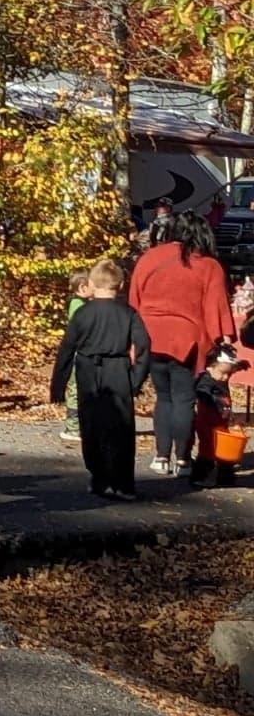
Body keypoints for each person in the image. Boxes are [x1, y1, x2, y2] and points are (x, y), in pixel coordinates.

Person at [130, 212, 236, 476]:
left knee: (163, 397)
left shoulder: (150, 257)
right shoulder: (208, 265)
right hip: (187, 339)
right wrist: (224, 340)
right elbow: (216, 308)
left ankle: (161, 456)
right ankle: (183, 458)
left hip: (150, 335)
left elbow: (135, 297)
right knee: (184, 399)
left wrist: (132, 337)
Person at [49, 258, 151, 500]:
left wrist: (58, 385)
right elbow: (144, 346)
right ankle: (123, 483)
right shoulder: (128, 313)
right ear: (121, 284)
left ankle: (99, 477)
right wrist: (136, 378)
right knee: (121, 427)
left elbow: (66, 349)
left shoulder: (83, 313)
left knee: (91, 425)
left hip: (88, 371)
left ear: (92, 283)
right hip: (118, 369)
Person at [190, 338, 243, 487]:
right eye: (223, 374)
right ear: (210, 367)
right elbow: (202, 392)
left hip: (221, 422)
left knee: (225, 451)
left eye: (229, 374)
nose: (225, 378)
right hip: (207, 423)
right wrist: (215, 400)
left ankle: (226, 477)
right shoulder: (206, 381)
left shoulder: (219, 379)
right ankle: (198, 477)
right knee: (208, 450)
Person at [61, 268, 90, 444]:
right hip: (77, 354)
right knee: (75, 390)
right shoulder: (77, 305)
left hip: (80, 353)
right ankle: (73, 427)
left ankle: (81, 425)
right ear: (82, 287)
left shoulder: (81, 303)